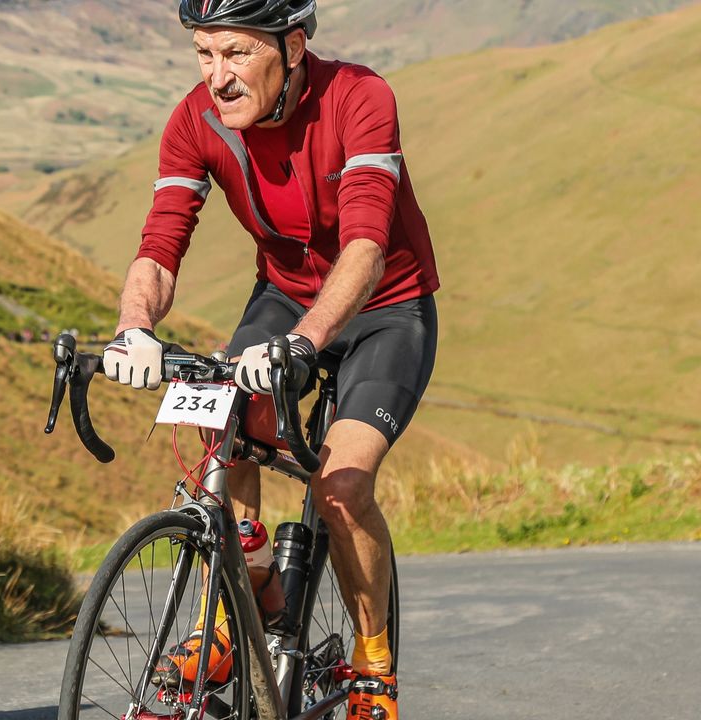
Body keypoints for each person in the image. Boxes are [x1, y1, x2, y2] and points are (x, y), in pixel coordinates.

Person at [100, 2, 439, 718]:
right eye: (203, 54)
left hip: (384, 308)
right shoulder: (195, 120)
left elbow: (367, 248)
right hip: (284, 298)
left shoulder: (360, 97)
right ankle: (241, 605)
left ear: (291, 45)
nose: (217, 77)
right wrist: (133, 328)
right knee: (220, 419)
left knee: (340, 488)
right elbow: (161, 245)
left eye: (235, 53)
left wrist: (307, 345)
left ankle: (372, 664)